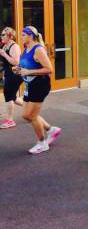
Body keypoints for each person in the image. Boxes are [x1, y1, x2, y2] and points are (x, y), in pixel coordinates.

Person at [14, 26, 61, 154]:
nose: (21, 36)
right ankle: (51, 130)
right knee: (25, 115)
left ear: (31, 36)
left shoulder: (38, 49)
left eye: (24, 34)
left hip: (40, 84)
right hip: (30, 85)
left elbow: (49, 69)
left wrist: (29, 71)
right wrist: (18, 68)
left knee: (32, 116)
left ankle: (42, 143)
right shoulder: (26, 48)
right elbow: (25, 65)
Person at [0, 27, 23, 129]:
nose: (1, 37)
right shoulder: (5, 45)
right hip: (8, 74)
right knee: (12, 97)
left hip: (15, 74)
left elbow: (15, 62)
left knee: (8, 95)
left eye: (3, 35)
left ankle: (10, 121)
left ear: (10, 36)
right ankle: (30, 109)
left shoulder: (14, 46)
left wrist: (4, 54)